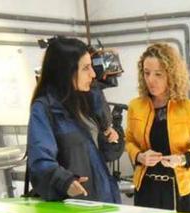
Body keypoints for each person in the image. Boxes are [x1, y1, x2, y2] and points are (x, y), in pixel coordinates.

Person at [27, 37, 122, 203]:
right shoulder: (44, 109)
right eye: (86, 68)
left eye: (91, 66)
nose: (93, 74)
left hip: (103, 199)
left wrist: (111, 138)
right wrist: (65, 182)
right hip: (75, 207)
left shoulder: (87, 100)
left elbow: (100, 154)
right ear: (65, 71)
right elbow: (40, 161)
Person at [125, 43, 190, 213]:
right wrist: (139, 156)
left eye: (158, 74)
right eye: (146, 73)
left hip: (181, 188)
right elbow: (129, 141)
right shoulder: (135, 106)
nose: (150, 80)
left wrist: (183, 159)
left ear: (171, 75)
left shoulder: (188, 107)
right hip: (146, 187)